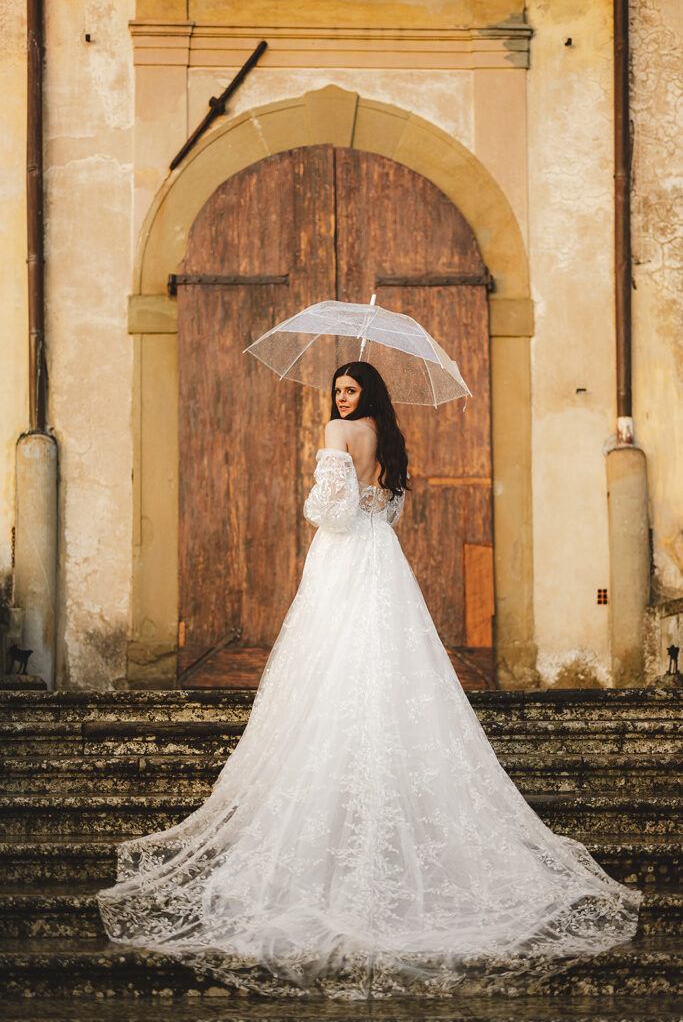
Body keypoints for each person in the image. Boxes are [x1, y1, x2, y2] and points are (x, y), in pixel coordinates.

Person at [97, 361, 641, 998]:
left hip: (343, 560)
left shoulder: (335, 432)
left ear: (365, 394)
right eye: (337, 390)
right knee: (386, 676)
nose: (339, 397)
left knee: (332, 676)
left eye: (349, 390)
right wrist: (361, 496)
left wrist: (316, 496)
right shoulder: (389, 438)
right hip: (383, 561)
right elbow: (390, 511)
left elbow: (328, 512)